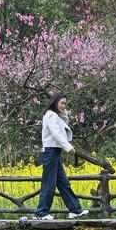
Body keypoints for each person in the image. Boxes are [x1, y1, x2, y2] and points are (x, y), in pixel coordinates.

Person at [32, 93, 90, 221]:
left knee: (63, 183)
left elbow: (62, 128)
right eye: (62, 103)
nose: (64, 106)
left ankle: (75, 210)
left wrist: (64, 114)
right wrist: (68, 147)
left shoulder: (55, 115)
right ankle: (41, 212)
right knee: (49, 183)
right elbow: (56, 133)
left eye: (65, 103)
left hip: (55, 151)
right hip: (51, 151)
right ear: (55, 102)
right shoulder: (51, 115)